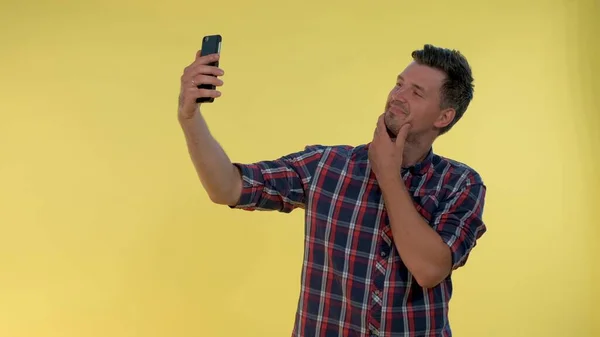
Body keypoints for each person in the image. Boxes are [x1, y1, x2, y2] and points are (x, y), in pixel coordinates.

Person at [177, 44, 487, 337]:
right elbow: (228, 187)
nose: (398, 96)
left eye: (416, 92)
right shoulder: (326, 166)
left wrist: (388, 175)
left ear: (444, 116)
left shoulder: (460, 184)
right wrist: (190, 119)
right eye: (399, 83)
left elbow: (429, 269)